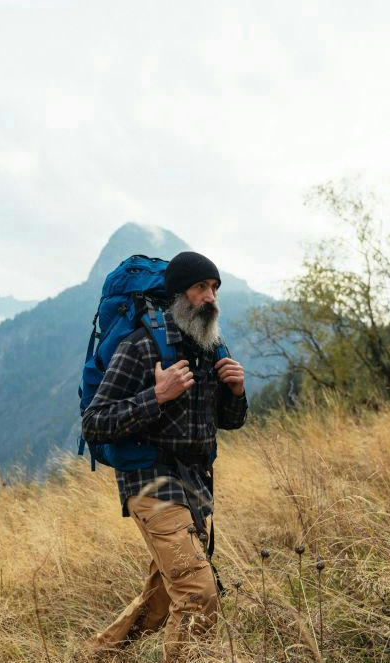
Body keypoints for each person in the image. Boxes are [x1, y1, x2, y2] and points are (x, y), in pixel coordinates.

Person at [80, 251, 247, 662]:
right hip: (151, 485)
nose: (210, 298)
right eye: (200, 288)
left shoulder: (212, 347)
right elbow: (94, 422)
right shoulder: (140, 347)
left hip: (194, 487)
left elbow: (227, 421)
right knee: (198, 595)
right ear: (178, 295)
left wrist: (237, 393)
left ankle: (98, 655)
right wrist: (155, 396)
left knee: (158, 603)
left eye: (214, 288)